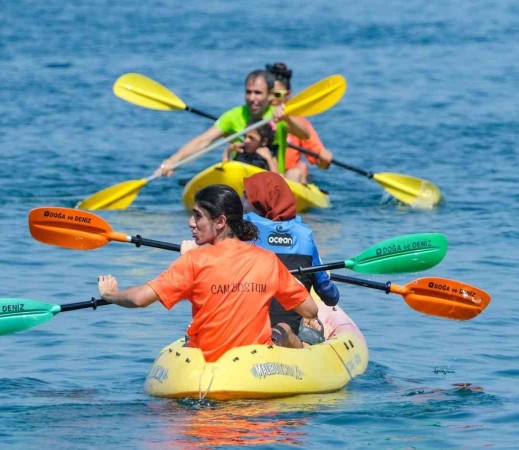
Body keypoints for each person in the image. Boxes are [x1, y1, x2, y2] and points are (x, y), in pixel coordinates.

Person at [97, 184, 321, 362]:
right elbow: (310, 309)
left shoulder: (193, 261)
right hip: (254, 366)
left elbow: (139, 299)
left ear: (221, 221)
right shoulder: (268, 260)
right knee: (287, 330)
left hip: (207, 366)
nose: (191, 223)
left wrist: (110, 294)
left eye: (198, 216)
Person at [242, 171, 340, 346]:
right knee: (314, 327)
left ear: (259, 201)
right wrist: (326, 279)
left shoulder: (243, 230)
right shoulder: (304, 236)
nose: (241, 202)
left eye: (245, 196)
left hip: (247, 333)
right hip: (290, 336)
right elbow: (330, 297)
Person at [155, 69, 309, 177]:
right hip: (240, 178)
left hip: (272, 179)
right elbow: (203, 141)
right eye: (248, 92)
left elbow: (305, 135)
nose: (252, 98)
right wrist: (173, 161)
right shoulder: (233, 116)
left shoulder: (279, 114)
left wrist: (287, 118)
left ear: (269, 95)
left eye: (258, 93)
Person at [266, 62, 334, 184]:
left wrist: (325, 158)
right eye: (267, 93)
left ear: (287, 95)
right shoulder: (252, 118)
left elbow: (321, 163)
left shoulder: (299, 124)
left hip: (288, 178)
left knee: (298, 171)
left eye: (277, 94)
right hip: (260, 171)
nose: (271, 99)